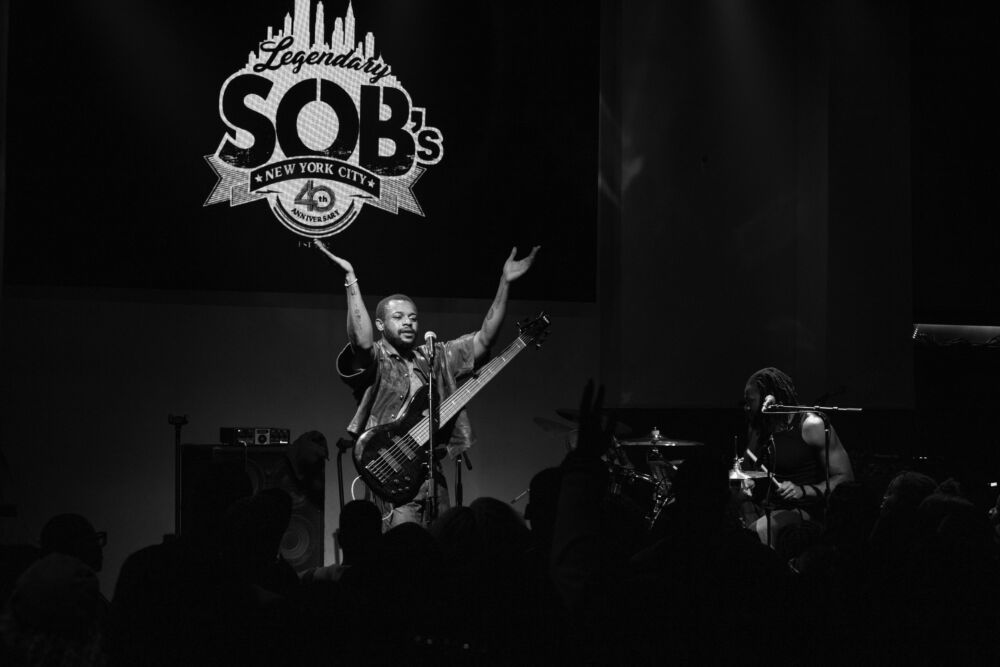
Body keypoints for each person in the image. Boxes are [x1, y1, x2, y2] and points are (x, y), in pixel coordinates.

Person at [316, 241, 540, 527]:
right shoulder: (377, 359)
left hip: (432, 476)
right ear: (380, 325)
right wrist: (350, 278)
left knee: (442, 545)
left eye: (413, 318)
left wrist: (505, 283)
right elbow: (360, 342)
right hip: (393, 478)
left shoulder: (435, 357)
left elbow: (484, 340)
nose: (408, 323)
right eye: (398, 317)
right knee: (403, 548)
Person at [741, 367, 854, 546]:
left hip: (803, 511)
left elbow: (845, 477)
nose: (746, 407)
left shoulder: (811, 425)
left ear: (769, 398)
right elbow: (747, 468)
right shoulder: (758, 426)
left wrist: (803, 490)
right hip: (766, 506)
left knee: (758, 533)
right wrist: (745, 483)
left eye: (750, 401)